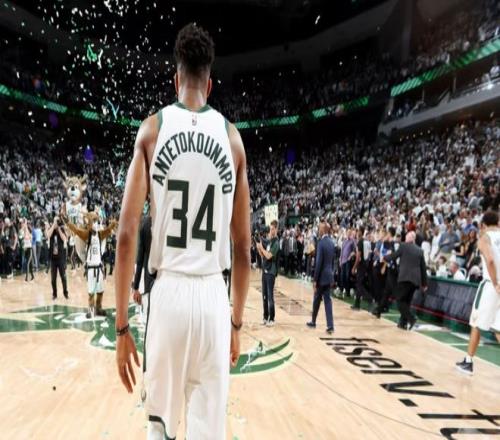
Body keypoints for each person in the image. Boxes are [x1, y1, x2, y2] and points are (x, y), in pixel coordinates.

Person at [114, 23, 250, 440]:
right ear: (209, 84)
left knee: (160, 429)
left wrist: (122, 328)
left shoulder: (152, 129)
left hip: (168, 294)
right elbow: (243, 250)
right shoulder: (233, 140)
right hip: (213, 297)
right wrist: (236, 324)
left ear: (176, 80)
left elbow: (126, 235)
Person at [456, 210, 500, 375]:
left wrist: (495, 283)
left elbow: (490, 260)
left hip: (491, 285)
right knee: (498, 328)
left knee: (476, 323)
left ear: (483, 225)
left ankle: (468, 362)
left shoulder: (484, 238)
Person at [383, 231, 428, 330]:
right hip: (415, 281)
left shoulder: (403, 246)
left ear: (410, 238)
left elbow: (394, 256)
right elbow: (423, 268)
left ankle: (411, 318)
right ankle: (403, 323)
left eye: (406, 237)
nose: (405, 238)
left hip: (405, 278)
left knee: (399, 300)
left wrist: (385, 257)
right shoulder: (420, 250)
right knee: (407, 301)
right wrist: (424, 284)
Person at [306, 221, 334, 333]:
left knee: (316, 299)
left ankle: (313, 321)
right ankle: (330, 325)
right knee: (327, 301)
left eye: (319, 228)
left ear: (323, 230)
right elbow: (332, 262)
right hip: (329, 276)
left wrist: (315, 280)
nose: (318, 230)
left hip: (321, 277)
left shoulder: (321, 243)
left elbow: (319, 263)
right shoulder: (331, 243)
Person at [131, 213, 154, 324]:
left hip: (149, 279)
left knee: (148, 321)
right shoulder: (168, 220)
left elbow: (139, 260)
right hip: (168, 281)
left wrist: (136, 288)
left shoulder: (145, 224)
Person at [257, 220, 280, 326]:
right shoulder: (270, 242)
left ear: (276, 229)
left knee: (270, 296)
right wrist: (259, 248)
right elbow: (263, 255)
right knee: (264, 296)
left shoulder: (276, 243)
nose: (271, 231)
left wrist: (262, 248)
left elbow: (269, 256)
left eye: (273, 229)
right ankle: (265, 317)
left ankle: (272, 319)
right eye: (270, 229)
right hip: (265, 271)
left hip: (271, 272)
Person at [46, 216, 69, 300]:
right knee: (53, 279)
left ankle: (65, 293)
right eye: (55, 221)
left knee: (63, 277)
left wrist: (59, 229)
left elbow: (65, 239)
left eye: (57, 221)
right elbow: (48, 235)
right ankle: (54, 294)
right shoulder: (51, 229)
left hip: (61, 258)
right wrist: (53, 226)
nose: (56, 222)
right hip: (53, 259)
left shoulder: (61, 229)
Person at [351, 226, 372, 310]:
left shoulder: (360, 242)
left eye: (358, 231)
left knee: (359, 285)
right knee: (359, 284)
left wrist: (354, 267)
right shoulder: (365, 241)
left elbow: (358, 257)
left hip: (361, 265)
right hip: (365, 264)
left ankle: (369, 299)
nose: (357, 232)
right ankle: (357, 304)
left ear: (361, 232)